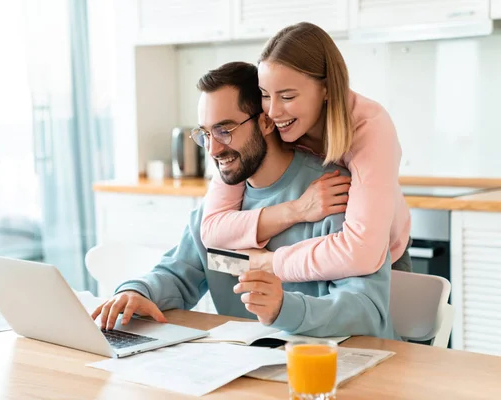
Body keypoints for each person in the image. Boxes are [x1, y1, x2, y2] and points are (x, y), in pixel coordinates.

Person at [91, 62, 396, 341]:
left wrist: (284, 308)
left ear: (266, 122)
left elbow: (367, 312)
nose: (212, 150)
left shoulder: (334, 194)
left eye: (224, 130)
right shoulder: (218, 210)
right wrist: (137, 291)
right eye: (205, 134)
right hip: (240, 371)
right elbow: (177, 273)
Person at [200, 22, 412, 282]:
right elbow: (211, 230)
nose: (273, 112)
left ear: (326, 89)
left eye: (287, 97)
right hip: (301, 260)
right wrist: (297, 210)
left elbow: (362, 252)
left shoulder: (370, 126)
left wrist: (267, 262)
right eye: (265, 95)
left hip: (382, 264)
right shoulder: (267, 121)